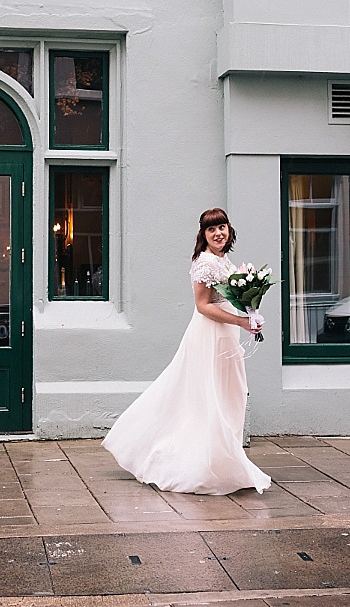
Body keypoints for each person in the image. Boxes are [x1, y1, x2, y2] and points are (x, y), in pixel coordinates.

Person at [102, 208, 272, 495]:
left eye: (222, 227)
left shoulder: (223, 260)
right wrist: (243, 321)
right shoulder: (205, 263)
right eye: (211, 229)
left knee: (230, 394)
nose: (218, 233)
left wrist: (250, 314)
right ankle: (199, 463)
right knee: (210, 398)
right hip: (210, 337)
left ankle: (223, 460)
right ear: (203, 235)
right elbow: (204, 306)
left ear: (229, 229)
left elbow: (228, 299)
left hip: (226, 336)